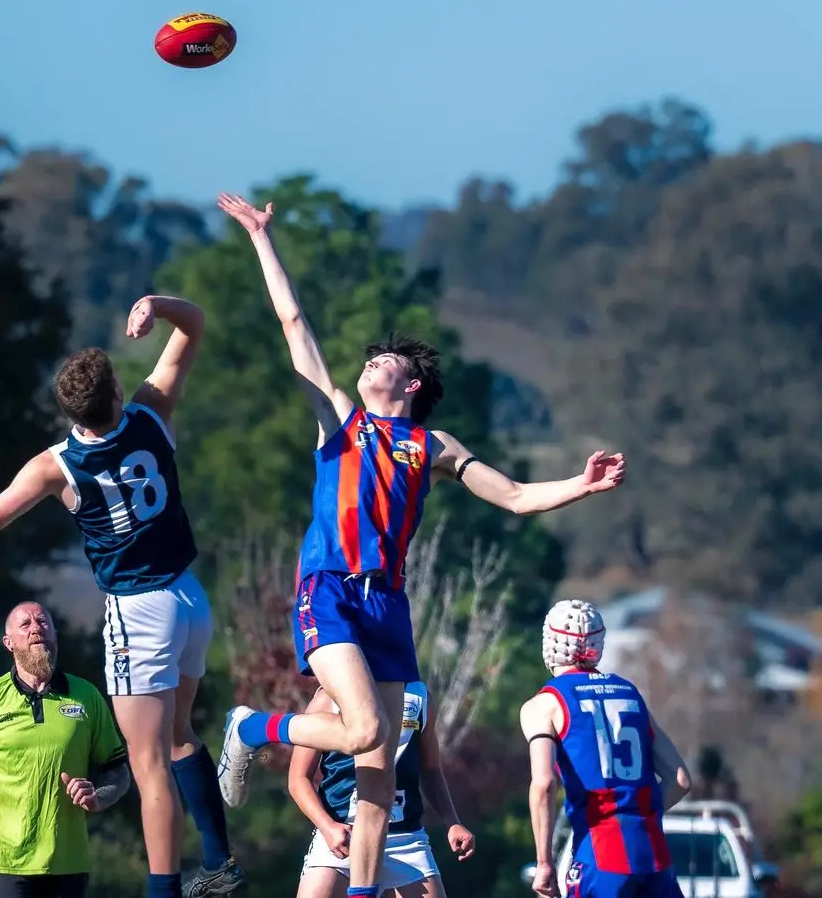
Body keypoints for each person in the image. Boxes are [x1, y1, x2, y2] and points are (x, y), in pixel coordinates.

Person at [213, 192, 627, 898]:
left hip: (389, 607)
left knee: (378, 770)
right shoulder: (339, 420)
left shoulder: (432, 445)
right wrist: (260, 238)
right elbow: (293, 321)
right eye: (370, 359)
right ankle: (253, 725)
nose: (369, 363)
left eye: (381, 360)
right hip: (332, 590)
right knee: (366, 725)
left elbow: (518, 496)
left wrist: (580, 485)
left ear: (409, 380)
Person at [0, 295, 242, 898]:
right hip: (190, 598)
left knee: (148, 762)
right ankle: (220, 861)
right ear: (114, 395)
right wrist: (155, 307)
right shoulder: (151, 411)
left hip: (140, 610)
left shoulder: (58, 466)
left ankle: (167, 892)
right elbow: (197, 322)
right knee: (181, 733)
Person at [0, 600, 132, 898]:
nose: (36, 629)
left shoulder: (86, 696)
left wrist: (98, 796)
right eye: (25, 625)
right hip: (5, 865)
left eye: (43, 622)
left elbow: (119, 771)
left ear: (55, 635)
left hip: (69, 864)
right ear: (8, 643)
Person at [519, 599, 693, 898]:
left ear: (550, 642)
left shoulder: (544, 704)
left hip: (600, 854)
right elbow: (681, 780)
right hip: (654, 854)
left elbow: (544, 784)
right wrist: (639, 818)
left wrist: (544, 863)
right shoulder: (629, 694)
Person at [288, 683, 475, 898]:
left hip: (405, 840)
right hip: (343, 840)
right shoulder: (329, 697)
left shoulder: (419, 696)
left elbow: (431, 770)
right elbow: (298, 778)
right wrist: (327, 827)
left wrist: (453, 822)